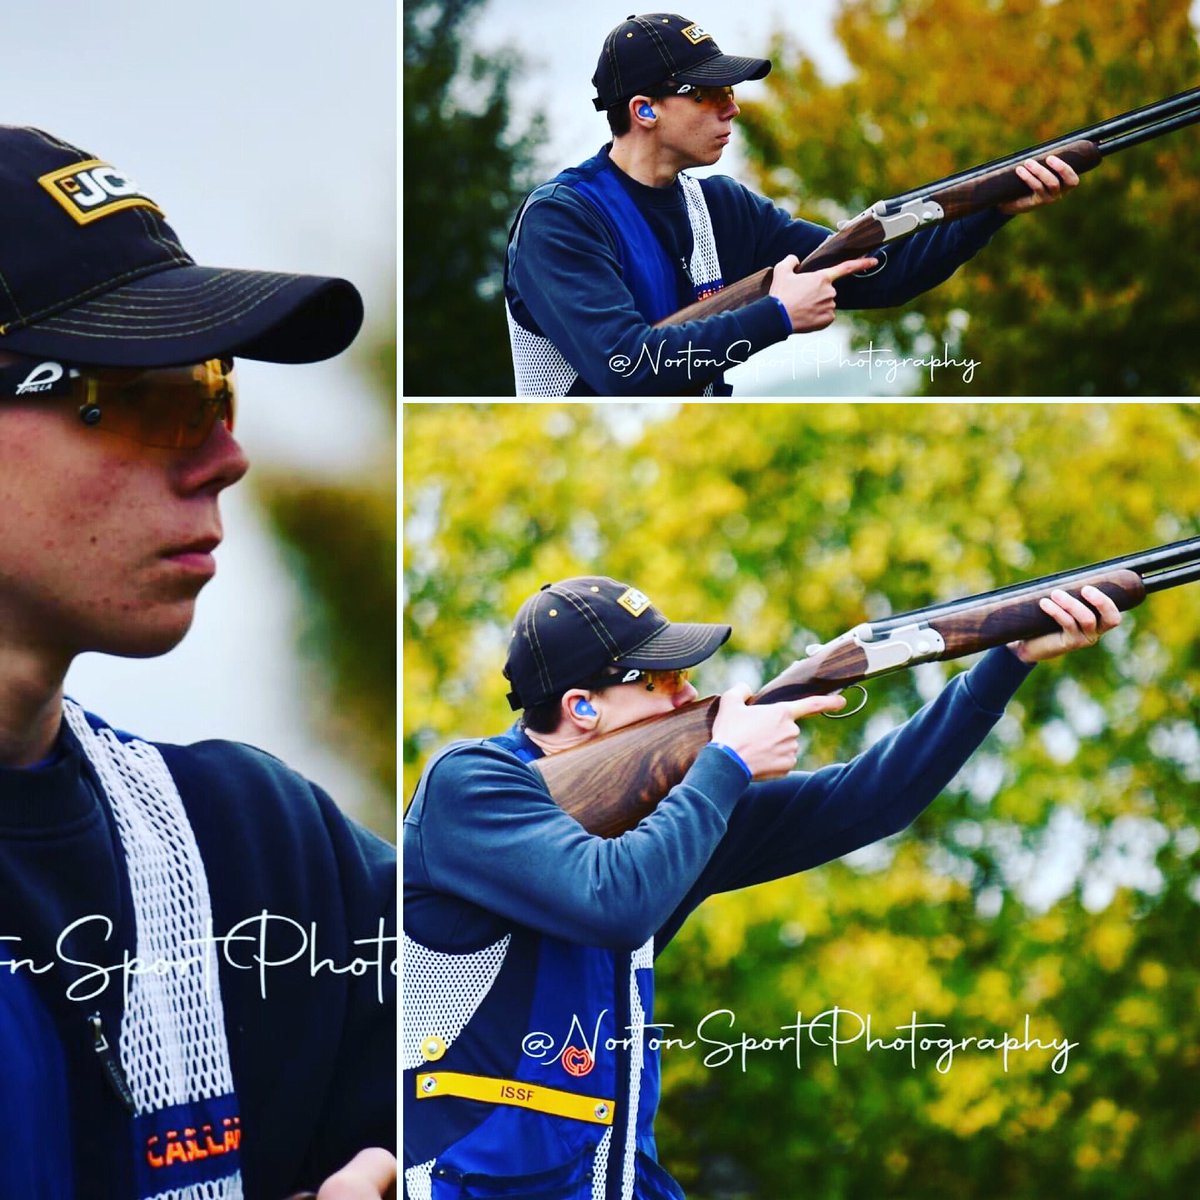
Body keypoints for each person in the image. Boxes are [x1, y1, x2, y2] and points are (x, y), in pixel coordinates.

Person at [403, 573, 1120, 1198]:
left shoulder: (666, 812)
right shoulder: (470, 786)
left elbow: (871, 801)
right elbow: (615, 902)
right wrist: (726, 764)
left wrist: (1007, 660)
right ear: (584, 707)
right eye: (666, 682)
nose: (694, 695)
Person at [0, 125, 395, 1199]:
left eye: (214, 386)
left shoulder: (265, 851)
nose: (227, 454)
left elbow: (547, 1026)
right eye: (140, 393)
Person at [504, 12, 1081, 396]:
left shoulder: (721, 207)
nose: (732, 109)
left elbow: (886, 276)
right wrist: (775, 316)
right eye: (709, 94)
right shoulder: (562, 221)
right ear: (644, 110)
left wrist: (989, 209)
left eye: (731, 92)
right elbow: (624, 368)